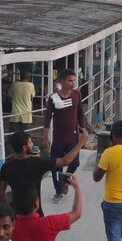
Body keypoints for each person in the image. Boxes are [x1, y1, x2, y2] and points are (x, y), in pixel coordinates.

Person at [0, 130, 86, 209]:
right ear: (24, 148)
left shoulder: (6, 166)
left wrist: (7, 213)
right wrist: (81, 142)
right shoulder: (37, 163)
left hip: (16, 213)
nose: (32, 144)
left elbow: (1, 193)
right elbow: (65, 161)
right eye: (30, 143)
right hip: (36, 212)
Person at [42, 69, 87, 203]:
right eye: (70, 80)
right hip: (59, 138)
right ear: (61, 81)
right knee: (56, 166)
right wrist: (45, 137)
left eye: (74, 80)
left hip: (73, 137)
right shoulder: (53, 98)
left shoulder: (76, 94)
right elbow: (47, 118)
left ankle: (65, 181)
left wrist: (83, 129)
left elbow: (80, 113)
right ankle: (59, 191)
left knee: (75, 163)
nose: (73, 83)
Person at [8, 69, 36, 135]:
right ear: (29, 78)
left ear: (20, 77)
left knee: (13, 135)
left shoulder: (14, 84)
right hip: (26, 113)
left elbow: (9, 94)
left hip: (15, 112)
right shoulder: (31, 85)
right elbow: (33, 96)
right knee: (25, 136)